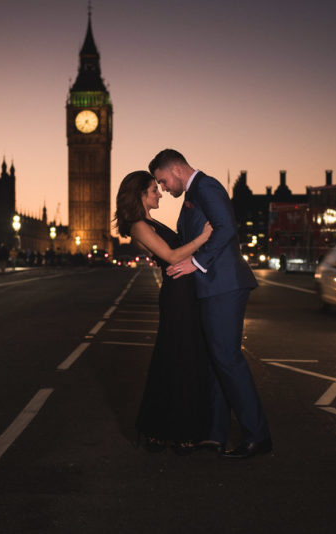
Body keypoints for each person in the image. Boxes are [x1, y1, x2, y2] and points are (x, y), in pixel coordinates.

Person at [150, 148, 272, 459]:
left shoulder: (206, 186)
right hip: (212, 287)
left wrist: (196, 263)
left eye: (163, 181)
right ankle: (216, 435)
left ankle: (257, 436)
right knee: (216, 361)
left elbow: (227, 228)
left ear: (176, 169)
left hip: (223, 285)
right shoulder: (195, 193)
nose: (163, 188)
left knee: (228, 361)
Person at [115, 170, 213, 455]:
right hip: (177, 296)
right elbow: (171, 256)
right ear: (140, 195)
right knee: (181, 360)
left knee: (175, 360)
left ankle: (159, 431)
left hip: (182, 292)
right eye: (153, 189)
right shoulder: (138, 225)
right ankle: (178, 432)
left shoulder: (148, 221)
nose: (159, 193)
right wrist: (204, 237)